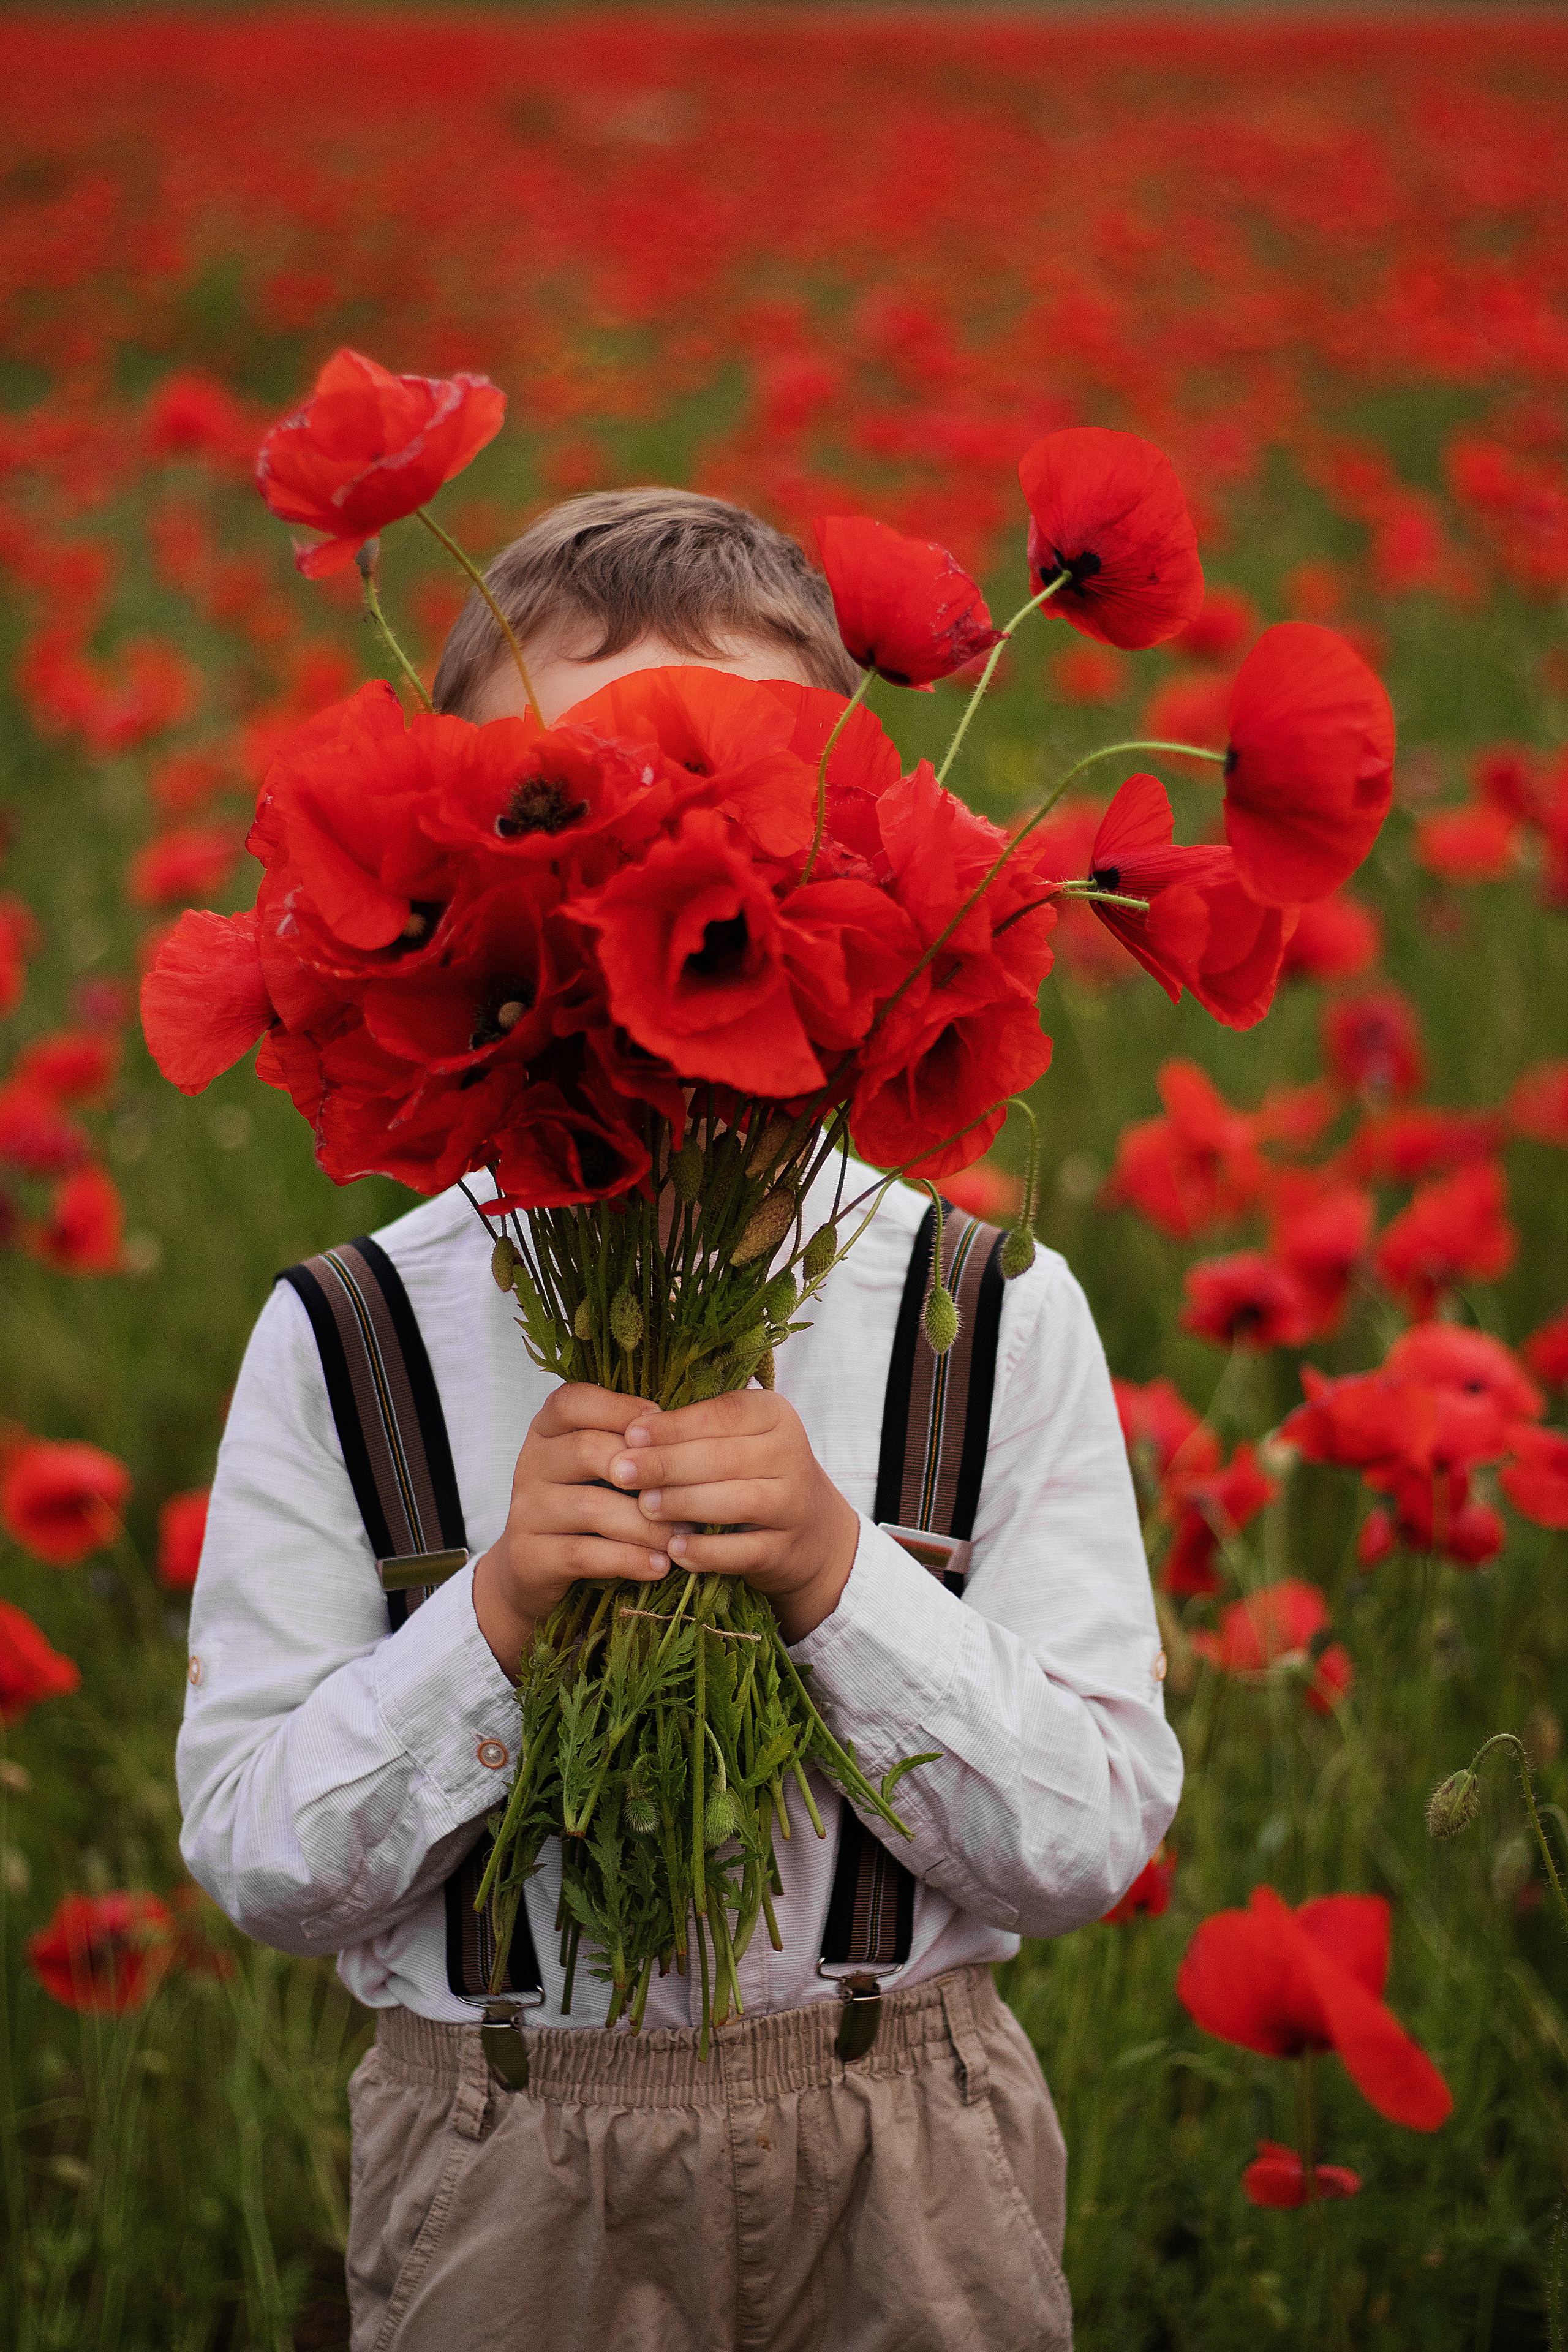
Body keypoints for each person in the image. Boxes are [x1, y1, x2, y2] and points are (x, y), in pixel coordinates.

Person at [177, 487, 1182, 2352]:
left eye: (725, 797)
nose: (637, 844)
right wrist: (490, 1625)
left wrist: (834, 1577)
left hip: (904, 2156)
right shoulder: (354, 1338)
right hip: (506, 2164)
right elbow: (255, 1855)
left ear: (847, 849)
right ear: (458, 844)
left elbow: (1091, 1836)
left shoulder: (987, 1318)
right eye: (568, 808)